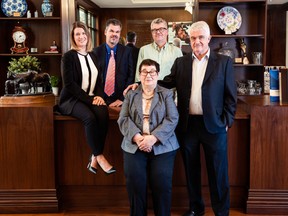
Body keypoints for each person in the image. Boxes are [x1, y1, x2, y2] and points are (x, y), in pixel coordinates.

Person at [124, 21, 237, 216]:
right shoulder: (182, 62)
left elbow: (231, 96)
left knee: (218, 172)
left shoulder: (223, 62)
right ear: (189, 40)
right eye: (193, 38)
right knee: (191, 171)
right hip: (188, 125)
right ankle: (196, 208)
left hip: (215, 126)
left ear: (209, 39)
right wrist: (143, 83)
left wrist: (226, 121)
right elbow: (166, 83)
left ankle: (221, 212)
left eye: (201, 37)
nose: (197, 41)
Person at [118, 59, 179, 216]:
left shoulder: (166, 94)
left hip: (162, 145)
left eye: (152, 71)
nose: (148, 75)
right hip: (134, 144)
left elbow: (172, 118)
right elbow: (123, 119)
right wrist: (138, 138)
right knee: (135, 182)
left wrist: (153, 138)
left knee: (162, 182)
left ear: (158, 75)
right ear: (139, 74)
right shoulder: (130, 95)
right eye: (144, 71)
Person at [58, 21, 116, 175]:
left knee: (103, 114)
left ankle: (94, 157)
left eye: (83, 33)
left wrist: (98, 97)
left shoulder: (93, 55)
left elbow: (99, 81)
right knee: (89, 118)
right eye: (77, 34)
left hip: (91, 98)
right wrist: (91, 100)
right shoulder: (68, 57)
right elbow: (69, 84)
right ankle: (99, 156)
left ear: (87, 36)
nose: (81, 36)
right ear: (73, 37)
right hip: (72, 100)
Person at [93, 18, 134, 107]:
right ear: (105, 32)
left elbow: (131, 76)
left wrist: (123, 98)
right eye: (111, 31)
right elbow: (93, 77)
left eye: (117, 32)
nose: (114, 34)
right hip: (99, 99)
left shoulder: (127, 52)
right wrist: (99, 96)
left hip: (121, 100)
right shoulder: (95, 52)